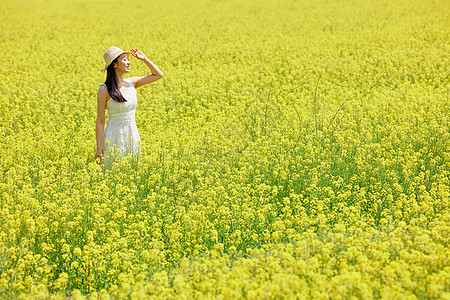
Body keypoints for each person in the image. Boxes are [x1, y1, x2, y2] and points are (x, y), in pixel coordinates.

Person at [95, 46, 163, 163]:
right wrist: (99, 149)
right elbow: (100, 120)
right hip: (114, 137)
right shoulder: (104, 89)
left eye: (128, 59)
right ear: (114, 65)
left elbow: (158, 74)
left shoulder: (132, 82)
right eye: (124, 59)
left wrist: (144, 59)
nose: (129, 62)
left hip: (132, 135)